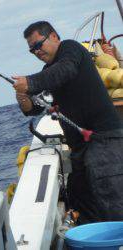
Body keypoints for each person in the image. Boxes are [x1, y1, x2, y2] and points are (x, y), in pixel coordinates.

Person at [13, 21, 123, 223]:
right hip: (80, 147)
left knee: (111, 197)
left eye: (39, 45)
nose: (36, 51)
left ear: (54, 36)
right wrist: (23, 97)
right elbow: (34, 108)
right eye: (32, 50)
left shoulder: (71, 50)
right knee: (79, 195)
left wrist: (30, 82)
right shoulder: (49, 71)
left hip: (104, 139)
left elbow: (65, 71)